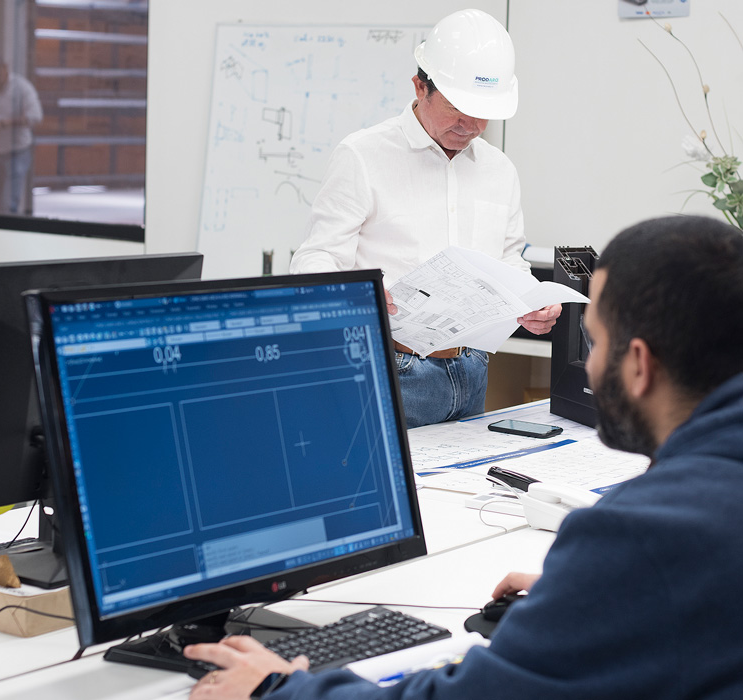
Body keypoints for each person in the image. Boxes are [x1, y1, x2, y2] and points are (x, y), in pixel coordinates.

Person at [184, 215, 743, 699]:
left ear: (639, 365)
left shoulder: (648, 535)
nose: (590, 365)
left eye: (594, 342)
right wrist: (599, 593)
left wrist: (276, 687)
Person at [289, 10, 560, 429]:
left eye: (484, 112)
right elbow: (314, 260)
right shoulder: (363, 156)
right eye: (458, 108)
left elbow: (509, 259)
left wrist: (531, 302)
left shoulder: (499, 170)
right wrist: (357, 292)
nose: (471, 125)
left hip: (472, 368)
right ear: (420, 87)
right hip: (391, 368)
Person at [0, 50, 43, 215]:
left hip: (16, 152)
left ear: (5, 69)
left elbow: (35, 116)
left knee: (8, 203)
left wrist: (5, 123)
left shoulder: (22, 88)